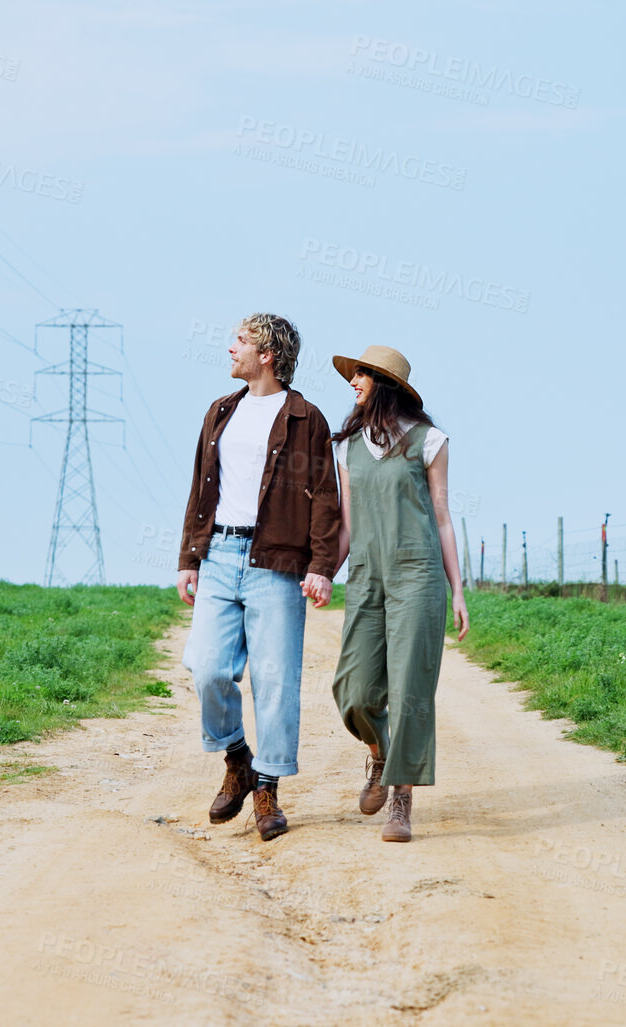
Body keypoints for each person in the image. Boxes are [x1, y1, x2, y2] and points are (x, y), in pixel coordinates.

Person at [176, 313, 339, 842]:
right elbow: (201, 488)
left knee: (274, 680)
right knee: (206, 667)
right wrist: (188, 557)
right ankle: (238, 758)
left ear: (267, 353)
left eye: (241, 341)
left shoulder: (304, 417)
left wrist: (321, 566)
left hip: (277, 562)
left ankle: (267, 788)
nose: (231, 349)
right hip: (220, 554)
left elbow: (325, 496)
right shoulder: (220, 411)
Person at [327, 345, 468, 843]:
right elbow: (346, 525)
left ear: (384, 384)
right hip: (366, 576)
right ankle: (380, 752)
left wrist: (458, 591)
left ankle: (401, 798)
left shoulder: (430, 442)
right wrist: (323, 571)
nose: (353, 382)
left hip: (418, 575)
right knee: (355, 691)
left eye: (361, 375)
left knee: (411, 690)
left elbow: (444, 519)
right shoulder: (347, 446)